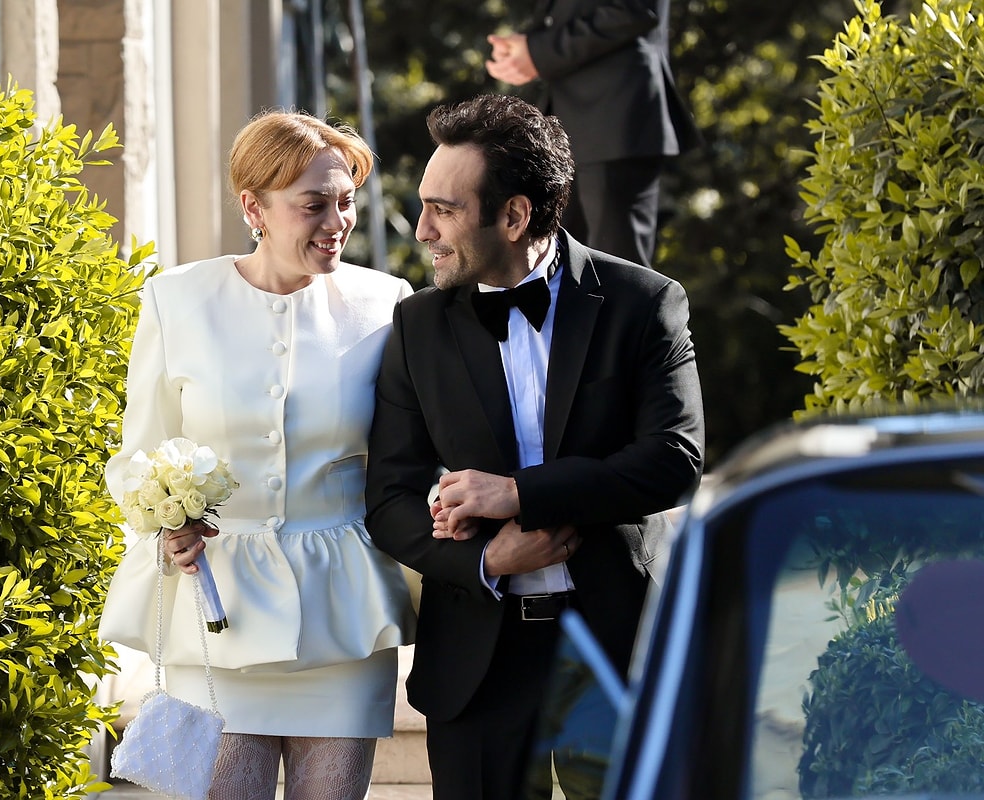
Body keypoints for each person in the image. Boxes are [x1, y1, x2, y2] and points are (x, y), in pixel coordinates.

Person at [364, 94, 704, 800]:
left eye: (444, 210)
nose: (423, 230)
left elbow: (675, 460)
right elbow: (388, 500)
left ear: (516, 215)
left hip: (614, 648)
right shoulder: (416, 326)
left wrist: (520, 494)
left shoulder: (644, 301)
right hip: (476, 660)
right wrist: (485, 560)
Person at [102, 110, 417, 800]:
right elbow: (136, 457)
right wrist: (165, 522)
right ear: (254, 209)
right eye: (314, 205)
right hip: (215, 614)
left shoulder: (388, 303)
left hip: (344, 618)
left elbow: (408, 459)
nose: (337, 222)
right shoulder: (176, 298)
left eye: (346, 201)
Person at [485, 0, 699, 267]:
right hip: (567, 123)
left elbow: (635, 10)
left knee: (615, 271)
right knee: (557, 269)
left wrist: (539, 51)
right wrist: (529, 47)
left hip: (615, 119)